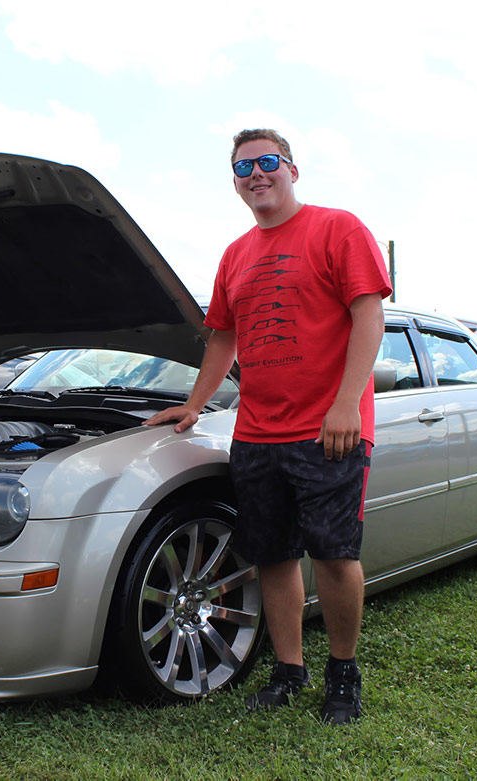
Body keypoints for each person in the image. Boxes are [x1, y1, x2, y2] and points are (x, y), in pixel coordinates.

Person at [144, 128, 391, 725]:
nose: (256, 174)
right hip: (256, 433)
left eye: (267, 162)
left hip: (327, 430)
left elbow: (369, 315)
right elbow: (224, 337)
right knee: (274, 558)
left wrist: (345, 404)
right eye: (242, 167)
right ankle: (288, 670)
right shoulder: (235, 254)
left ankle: (342, 674)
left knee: (333, 556)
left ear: (292, 170)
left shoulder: (339, 229)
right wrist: (196, 403)